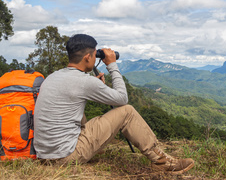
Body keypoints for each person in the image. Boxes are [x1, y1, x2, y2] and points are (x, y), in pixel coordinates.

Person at [33, 34, 194, 174]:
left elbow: (72, 97)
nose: (96, 58)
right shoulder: (84, 82)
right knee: (127, 112)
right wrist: (112, 64)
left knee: (94, 119)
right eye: (95, 55)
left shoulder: (53, 77)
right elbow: (122, 99)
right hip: (66, 157)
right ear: (87, 57)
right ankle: (162, 162)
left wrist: (95, 85)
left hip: (45, 155)